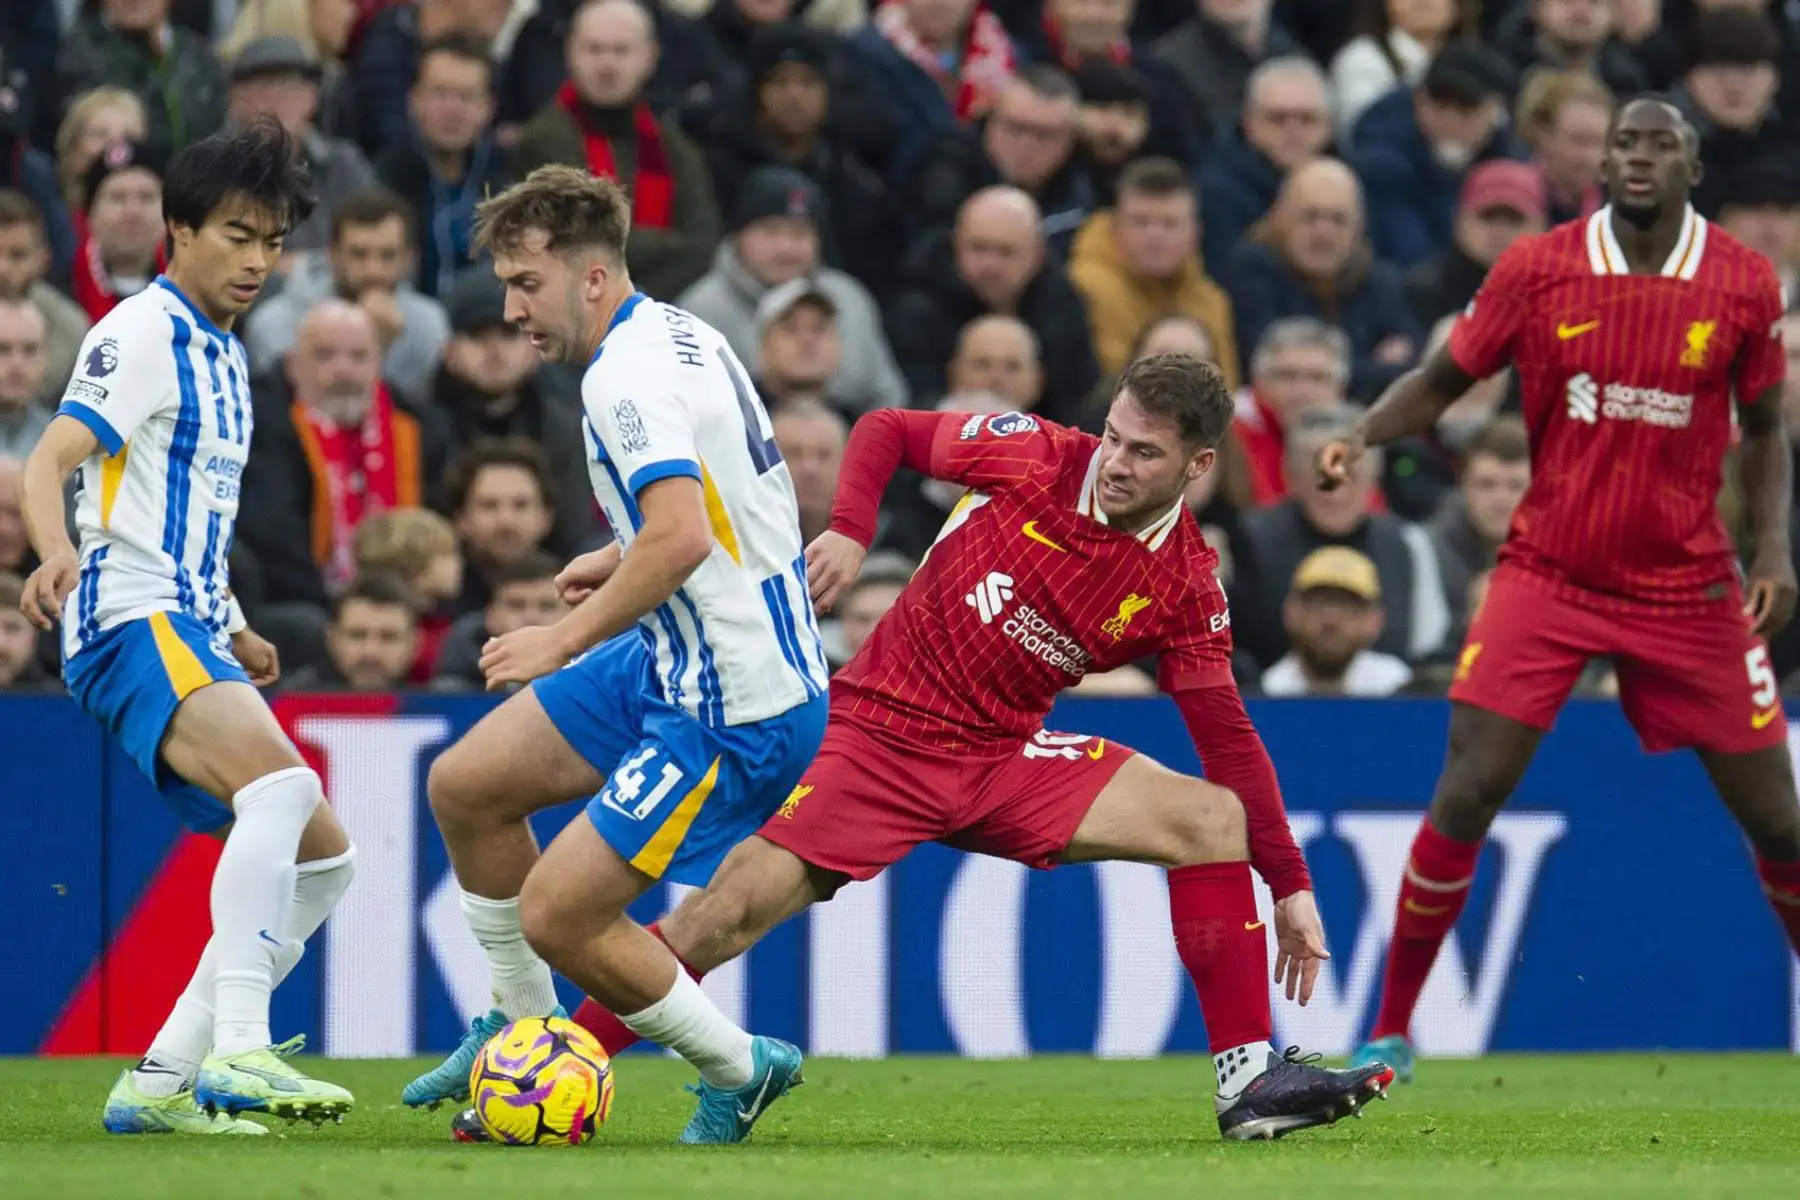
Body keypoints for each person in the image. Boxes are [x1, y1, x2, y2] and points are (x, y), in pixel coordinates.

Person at [553, 355, 1397, 1143]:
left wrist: (1289, 885)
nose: (1114, 462)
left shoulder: (1182, 582)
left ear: (1197, 466)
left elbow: (1230, 742)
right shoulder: (1034, 455)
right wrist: (850, 529)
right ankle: (564, 1067)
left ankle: (1246, 1084)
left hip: (1003, 759)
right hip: (876, 734)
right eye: (1113, 436)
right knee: (722, 916)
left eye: (1145, 453)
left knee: (1212, 817)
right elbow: (887, 428)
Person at [1318, 97, 1800, 1083]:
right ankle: (1392, 1025)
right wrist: (1362, 433)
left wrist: (1774, 552)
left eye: (1660, 145)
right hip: (1552, 569)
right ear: (1604, 161)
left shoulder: (1745, 285)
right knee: (1471, 784)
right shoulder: (1539, 268)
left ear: (1691, 168)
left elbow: (1764, 431)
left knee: (1781, 821)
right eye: (1624, 141)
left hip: (1687, 583)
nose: (1638, 158)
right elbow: (1444, 378)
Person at [400, 165, 829, 1146]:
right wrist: (616, 553)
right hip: (678, 651)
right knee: (467, 786)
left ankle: (738, 1066)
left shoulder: (621, 376)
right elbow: (728, 500)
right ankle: (520, 1028)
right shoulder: (681, 329)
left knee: (560, 915)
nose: (512, 309)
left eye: (527, 284)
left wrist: (562, 637)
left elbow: (681, 536)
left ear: (592, 278)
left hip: (733, 699)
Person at [16, 118, 356, 1133]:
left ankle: (161, 1081)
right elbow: (51, 459)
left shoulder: (224, 355)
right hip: (128, 614)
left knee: (325, 857)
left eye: (272, 239)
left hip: (191, 618)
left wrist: (237, 624)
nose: (257, 259)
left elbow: (185, 507)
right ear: (179, 230)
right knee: (284, 787)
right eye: (237, 234)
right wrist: (50, 552)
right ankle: (242, 1049)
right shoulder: (141, 331)